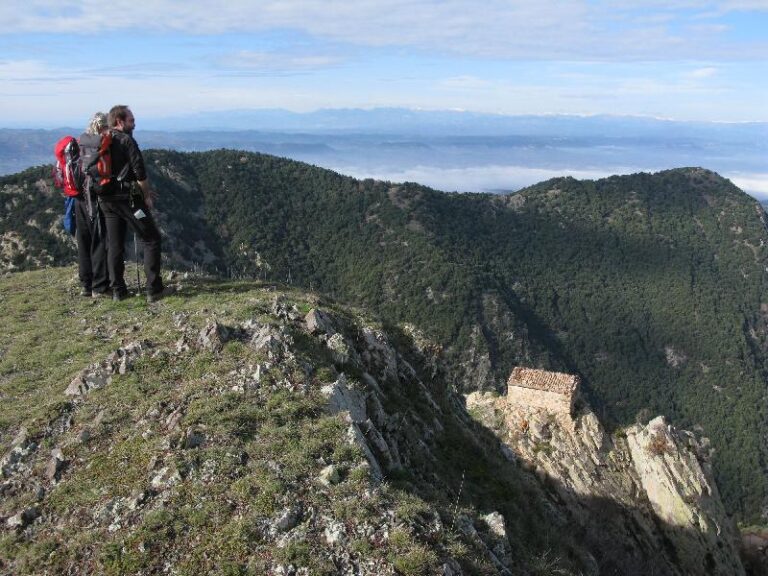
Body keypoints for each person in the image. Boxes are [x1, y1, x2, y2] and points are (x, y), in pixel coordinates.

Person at [101, 105, 172, 302]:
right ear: (120, 122)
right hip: (128, 200)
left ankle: (118, 291)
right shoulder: (126, 141)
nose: (134, 124)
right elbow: (140, 174)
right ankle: (154, 289)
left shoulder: (102, 139)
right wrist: (147, 195)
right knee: (151, 239)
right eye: (131, 120)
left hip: (106, 200)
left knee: (114, 244)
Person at [76, 112, 110, 297]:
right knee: (99, 240)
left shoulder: (80, 142)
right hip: (96, 197)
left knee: (84, 240)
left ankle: (86, 284)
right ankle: (100, 286)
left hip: (79, 198)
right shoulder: (103, 143)